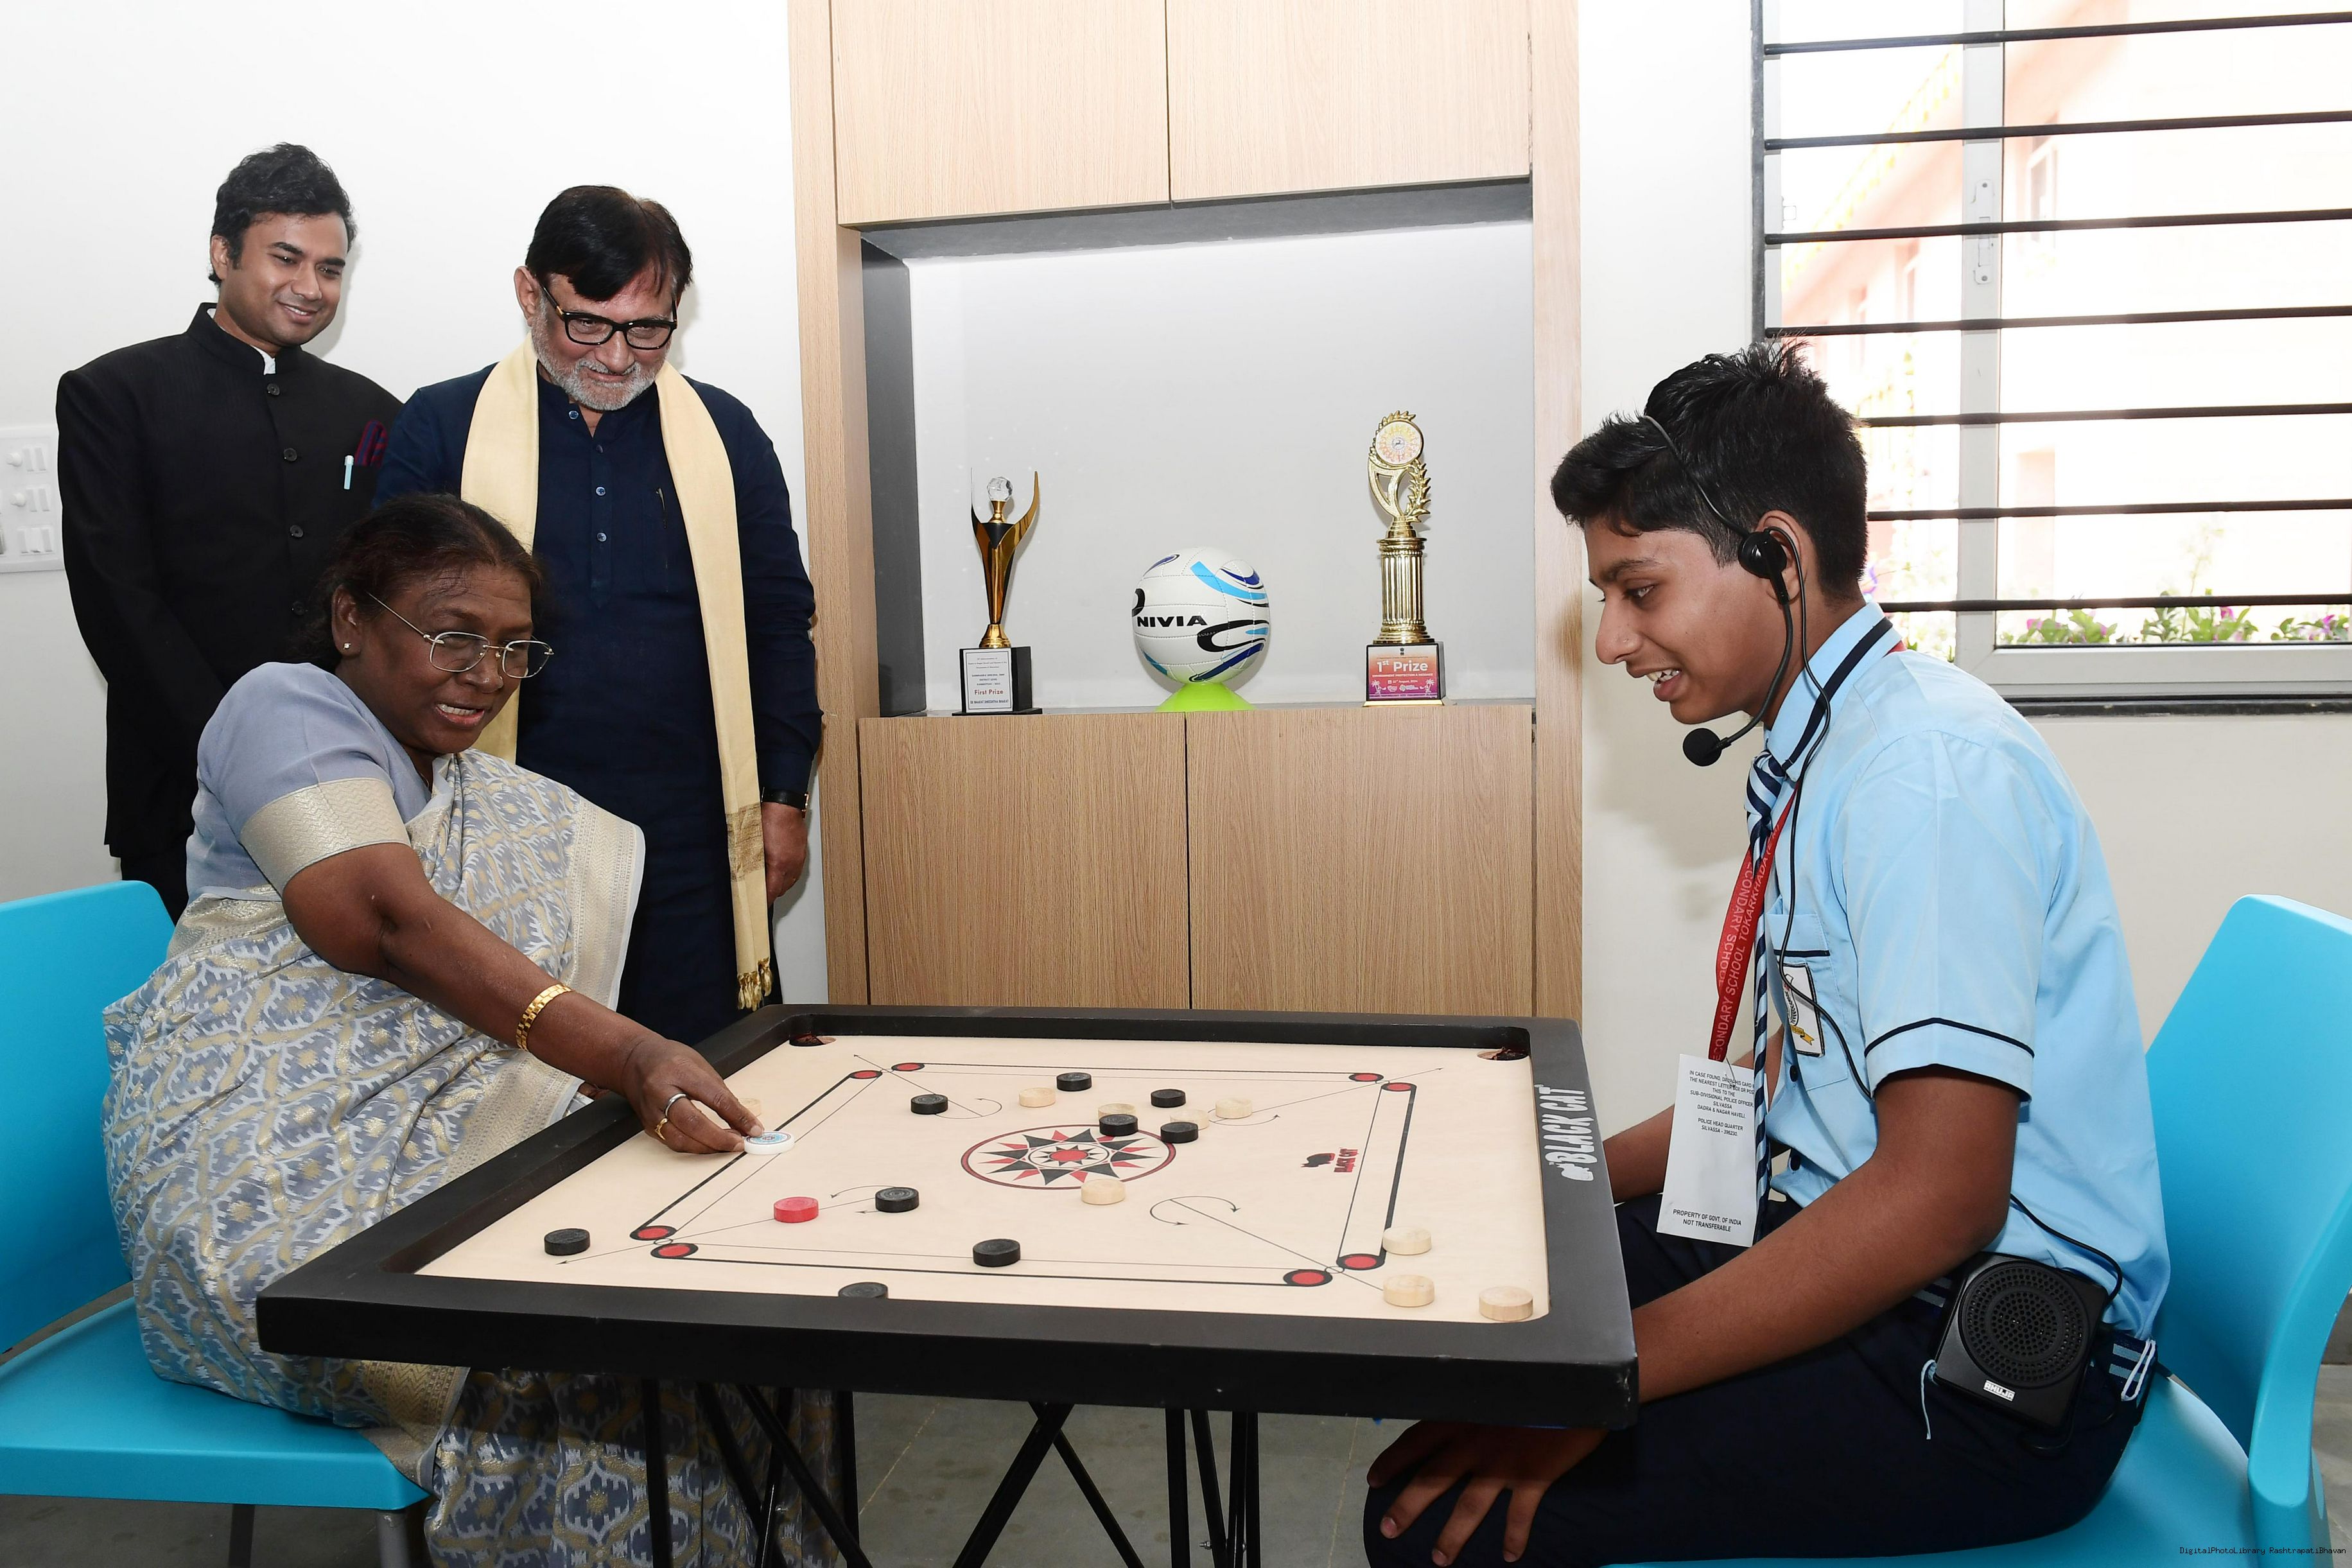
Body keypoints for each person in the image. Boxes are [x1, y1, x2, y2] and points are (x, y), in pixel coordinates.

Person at [1363, 344, 2168, 1566]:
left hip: (1983, 1363)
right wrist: (1554, 1172)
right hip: (1846, 1232)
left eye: (1638, 590)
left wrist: (1612, 1383)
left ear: (1775, 557)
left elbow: (1941, 1197)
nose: (1614, 640)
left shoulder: (1920, 778)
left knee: (1437, 1515)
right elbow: (1794, 1093)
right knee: (1496, 1294)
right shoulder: (1832, 748)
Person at [101, 494, 837, 1566]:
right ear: (351, 619)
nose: (487, 674)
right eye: (452, 636)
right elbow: (380, 922)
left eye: (512, 648)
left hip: (421, 1167)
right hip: (264, 1207)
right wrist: (627, 1051)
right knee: (587, 1345)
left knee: (737, 1291)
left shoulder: (471, 785)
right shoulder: (284, 708)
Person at [378, 185, 819, 1049]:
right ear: (529, 294)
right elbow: (392, 632)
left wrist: (782, 796)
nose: (618, 357)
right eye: (588, 324)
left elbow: (777, 622)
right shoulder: (442, 426)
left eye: (648, 328)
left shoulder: (725, 434)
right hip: (499, 824)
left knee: (704, 1071)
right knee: (524, 1081)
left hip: (691, 835)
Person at [60, 143, 403, 919]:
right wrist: (233, 748)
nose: (310, 287)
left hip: (350, 784)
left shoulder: (372, 410)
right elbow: (118, 603)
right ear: (223, 254)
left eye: (330, 268)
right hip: (179, 786)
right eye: (286, 258)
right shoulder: (115, 395)